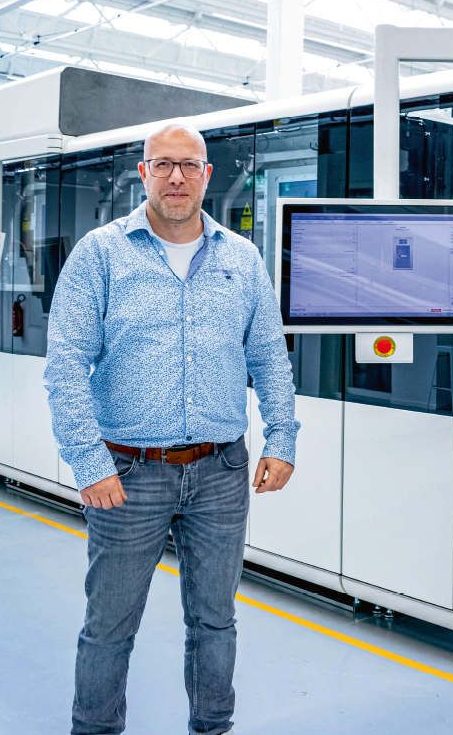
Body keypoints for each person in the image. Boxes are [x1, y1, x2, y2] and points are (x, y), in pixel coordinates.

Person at [45, 122, 300, 735]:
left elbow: (269, 355)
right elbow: (64, 365)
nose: (177, 176)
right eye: (163, 164)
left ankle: (213, 728)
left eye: (189, 165)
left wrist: (283, 438)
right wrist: (89, 461)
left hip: (222, 470)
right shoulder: (100, 253)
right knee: (109, 624)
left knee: (215, 620)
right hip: (128, 474)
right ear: (144, 173)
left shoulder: (243, 259)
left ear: (208, 175)